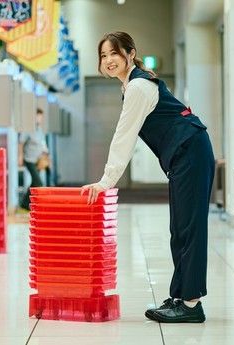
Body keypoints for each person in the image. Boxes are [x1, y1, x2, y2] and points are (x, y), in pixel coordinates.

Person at [81, 32, 215, 323]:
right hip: (186, 153)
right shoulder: (134, 84)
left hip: (190, 151)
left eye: (114, 53)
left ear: (130, 53)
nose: (108, 60)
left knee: (189, 228)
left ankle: (191, 305)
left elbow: (123, 137)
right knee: (179, 229)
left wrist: (106, 181)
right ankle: (181, 296)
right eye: (103, 56)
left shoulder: (139, 86)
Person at [21, 108, 49, 210]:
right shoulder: (28, 128)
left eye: (41, 117)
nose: (40, 119)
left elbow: (42, 143)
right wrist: (20, 157)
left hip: (38, 160)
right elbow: (21, 143)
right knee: (38, 182)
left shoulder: (39, 129)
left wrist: (45, 153)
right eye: (38, 116)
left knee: (34, 182)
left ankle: (24, 203)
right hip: (29, 159)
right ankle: (29, 204)